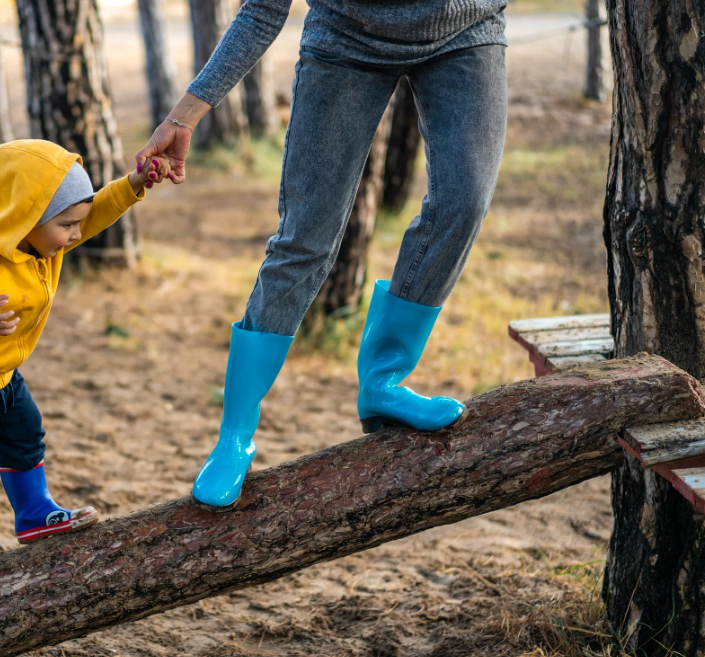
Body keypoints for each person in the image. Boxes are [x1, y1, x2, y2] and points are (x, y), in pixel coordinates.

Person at [136, 0, 508, 510]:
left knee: (463, 206)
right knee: (304, 239)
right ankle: (235, 436)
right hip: (346, 39)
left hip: (467, 30)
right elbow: (263, 9)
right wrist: (186, 114)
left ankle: (383, 382)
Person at [0, 139, 170, 587]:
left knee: (25, 436)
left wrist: (134, 183)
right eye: (67, 225)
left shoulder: (47, 243)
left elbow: (94, 212)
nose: (76, 234)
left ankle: (35, 513)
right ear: (26, 218)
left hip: (1, 375)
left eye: (75, 224)